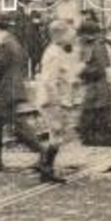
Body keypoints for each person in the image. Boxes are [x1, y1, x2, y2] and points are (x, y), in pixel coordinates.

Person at [0, 10, 61, 180]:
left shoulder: (6, 44)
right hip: (9, 90)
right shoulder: (9, 43)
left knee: (17, 127)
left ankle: (42, 153)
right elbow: (8, 62)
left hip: (9, 91)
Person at [77, 18, 111, 167]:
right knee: (99, 124)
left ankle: (109, 158)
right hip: (97, 91)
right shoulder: (96, 46)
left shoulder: (97, 47)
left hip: (98, 91)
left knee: (93, 124)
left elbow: (100, 69)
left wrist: (81, 72)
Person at [36, 18, 81, 148]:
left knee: (57, 135)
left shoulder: (59, 51)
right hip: (51, 101)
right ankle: (45, 164)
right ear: (60, 35)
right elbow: (50, 83)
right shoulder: (54, 54)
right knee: (57, 134)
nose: (72, 37)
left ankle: (46, 164)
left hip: (55, 100)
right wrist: (56, 105)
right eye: (69, 34)